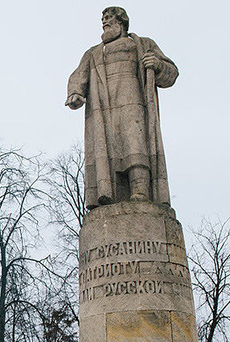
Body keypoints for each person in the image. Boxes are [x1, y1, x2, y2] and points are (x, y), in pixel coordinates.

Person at [66, 6, 178, 208]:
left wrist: (158, 65)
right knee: (107, 151)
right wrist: (75, 92)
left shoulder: (142, 44)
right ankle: (108, 194)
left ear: (122, 22)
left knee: (135, 143)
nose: (105, 22)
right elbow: (78, 76)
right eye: (103, 19)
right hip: (103, 107)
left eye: (109, 18)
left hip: (133, 101)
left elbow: (171, 73)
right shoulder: (93, 53)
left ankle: (140, 190)